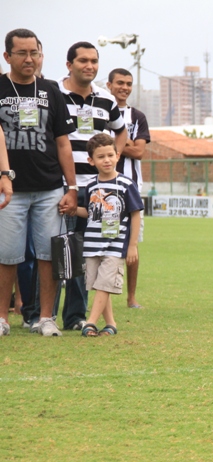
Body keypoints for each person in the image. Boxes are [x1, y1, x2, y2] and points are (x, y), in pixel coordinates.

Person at [0, 28, 78, 337]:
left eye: (35, 52)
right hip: (10, 191)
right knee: (7, 256)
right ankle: (3, 319)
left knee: (49, 255)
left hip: (49, 189)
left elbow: (62, 142)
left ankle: (46, 318)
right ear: (8, 56)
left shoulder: (50, 89)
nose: (30, 58)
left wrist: (71, 188)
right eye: (22, 53)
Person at [58, 41, 127, 331]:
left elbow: (120, 132)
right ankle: (38, 313)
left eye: (94, 61)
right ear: (69, 64)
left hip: (100, 189)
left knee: (90, 254)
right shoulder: (54, 93)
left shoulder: (106, 99)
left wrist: (112, 160)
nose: (89, 66)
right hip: (63, 186)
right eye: (83, 60)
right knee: (59, 253)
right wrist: (69, 186)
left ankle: (76, 317)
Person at [76, 133, 142, 336]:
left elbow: (135, 214)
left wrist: (132, 246)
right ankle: (111, 324)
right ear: (91, 160)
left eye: (110, 155)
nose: (106, 160)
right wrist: (70, 209)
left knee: (104, 284)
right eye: (100, 156)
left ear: (117, 156)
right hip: (92, 246)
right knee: (99, 285)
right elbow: (90, 212)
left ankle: (91, 322)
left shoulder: (126, 184)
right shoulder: (90, 186)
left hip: (115, 246)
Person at [107, 67, 150, 309]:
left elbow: (140, 152)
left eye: (128, 83)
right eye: (120, 83)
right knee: (100, 241)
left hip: (131, 187)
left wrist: (113, 146)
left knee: (132, 243)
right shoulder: (101, 110)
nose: (124, 87)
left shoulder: (138, 116)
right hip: (103, 187)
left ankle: (131, 298)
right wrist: (125, 143)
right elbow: (95, 146)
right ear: (109, 85)